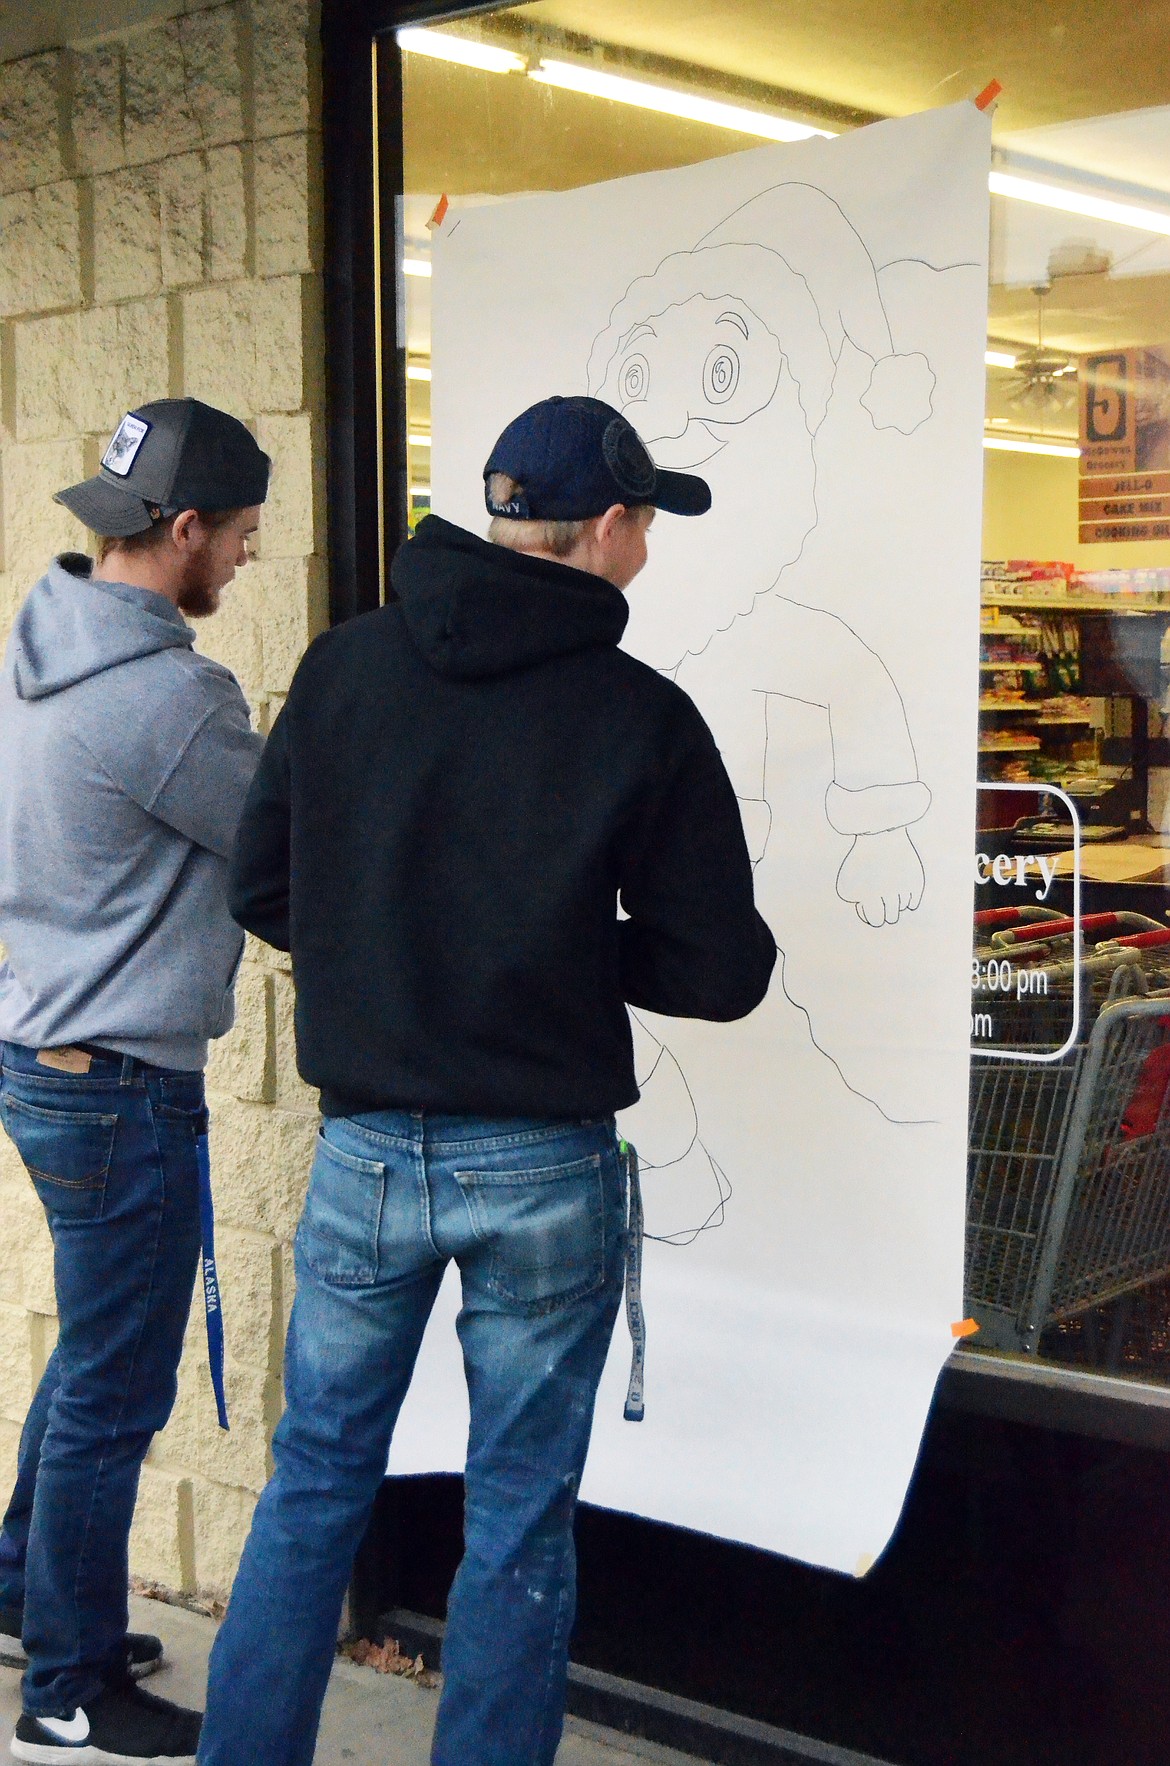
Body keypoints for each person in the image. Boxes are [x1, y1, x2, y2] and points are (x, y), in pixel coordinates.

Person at [197, 393, 777, 1766]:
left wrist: (403, 950)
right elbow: (721, 968)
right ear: (612, 526)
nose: (648, 550)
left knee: (315, 1482)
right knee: (518, 1506)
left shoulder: (344, 670)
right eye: (647, 524)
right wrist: (553, 945)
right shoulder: (639, 714)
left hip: (367, 1156)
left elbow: (263, 882)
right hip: (540, 1165)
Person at [0, 398, 270, 1766]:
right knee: (117, 1384)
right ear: (180, 531)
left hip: (37, 1050)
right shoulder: (170, 697)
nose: (246, 561)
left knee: (91, 1353)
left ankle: (18, 1582)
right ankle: (68, 1686)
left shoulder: (30, 646)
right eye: (238, 536)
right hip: (119, 1079)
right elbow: (284, 849)